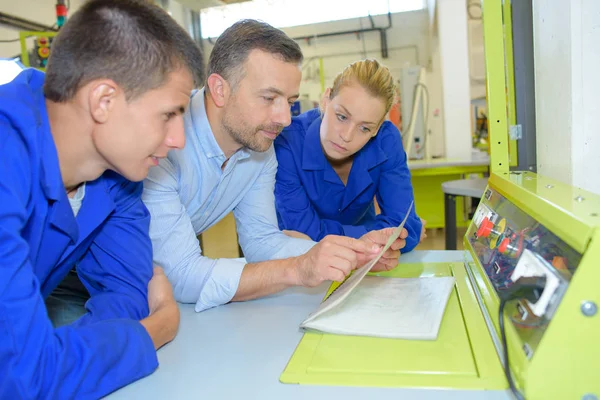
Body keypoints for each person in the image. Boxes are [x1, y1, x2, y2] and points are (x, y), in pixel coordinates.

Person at [0, 0, 204, 398]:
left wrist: (61, 359)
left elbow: (126, 295)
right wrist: (154, 331)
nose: (178, 140)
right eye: (169, 114)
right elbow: (26, 378)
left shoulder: (116, 177)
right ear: (103, 101)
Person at [142, 20, 405, 314]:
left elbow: (262, 241)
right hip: (90, 287)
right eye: (269, 98)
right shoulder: (162, 141)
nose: (285, 119)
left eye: (289, 101)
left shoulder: (259, 147)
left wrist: (352, 253)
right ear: (219, 89)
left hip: (151, 286)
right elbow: (183, 274)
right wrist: (295, 269)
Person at [274, 59, 424, 251]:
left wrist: (401, 232)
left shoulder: (386, 140)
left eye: (364, 128)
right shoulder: (287, 142)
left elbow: (405, 226)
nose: (346, 136)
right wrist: (374, 237)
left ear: (377, 128)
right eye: (342, 117)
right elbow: (302, 233)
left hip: (366, 268)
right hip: (297, 264)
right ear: (326, 100)